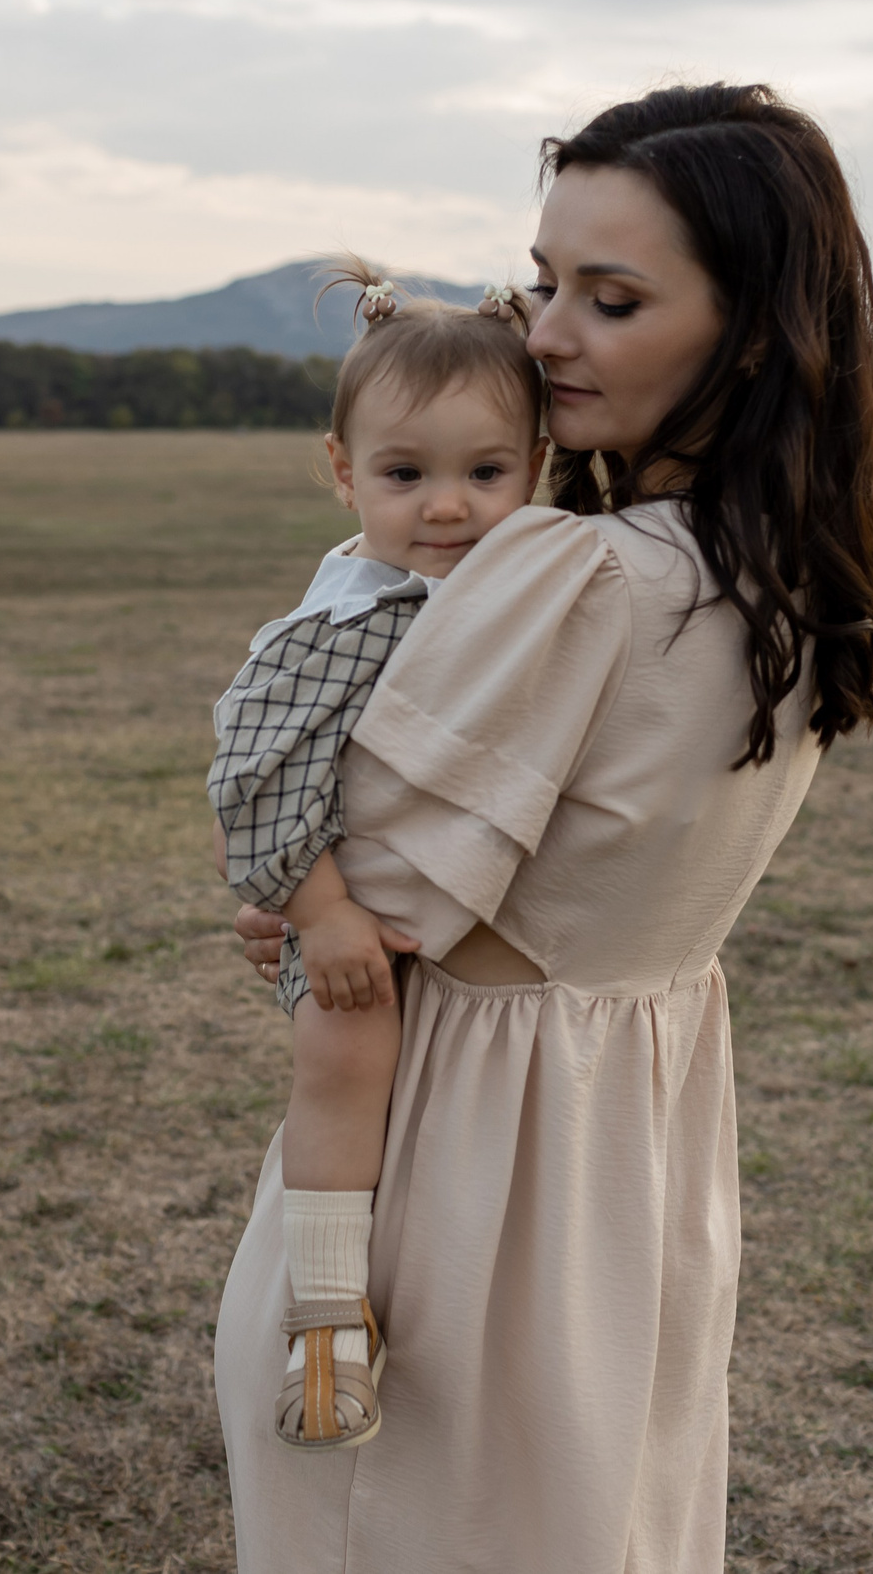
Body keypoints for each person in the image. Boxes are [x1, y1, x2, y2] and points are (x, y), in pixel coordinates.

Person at [214, 83, 873, 1572]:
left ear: (749, 329)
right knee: (601, 1508)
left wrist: (301, 899)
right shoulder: (789, 572)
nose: (543, 335)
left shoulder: (577, 574)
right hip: (634, 1129)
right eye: (546, 282)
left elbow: (383, 901)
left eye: (609, 298)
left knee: (407, 1522)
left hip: (468, 1140)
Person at [207, 259, 547, 1453]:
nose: (446, 506)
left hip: (463, 924)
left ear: (536, 471)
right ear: (345, 474)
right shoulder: (350, 618)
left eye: (485, 473)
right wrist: (320, 908)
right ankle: (325, 1321)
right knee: (345, 1053)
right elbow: (245, 784)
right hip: (342, 904)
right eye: (406, 476)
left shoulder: (519, 577)